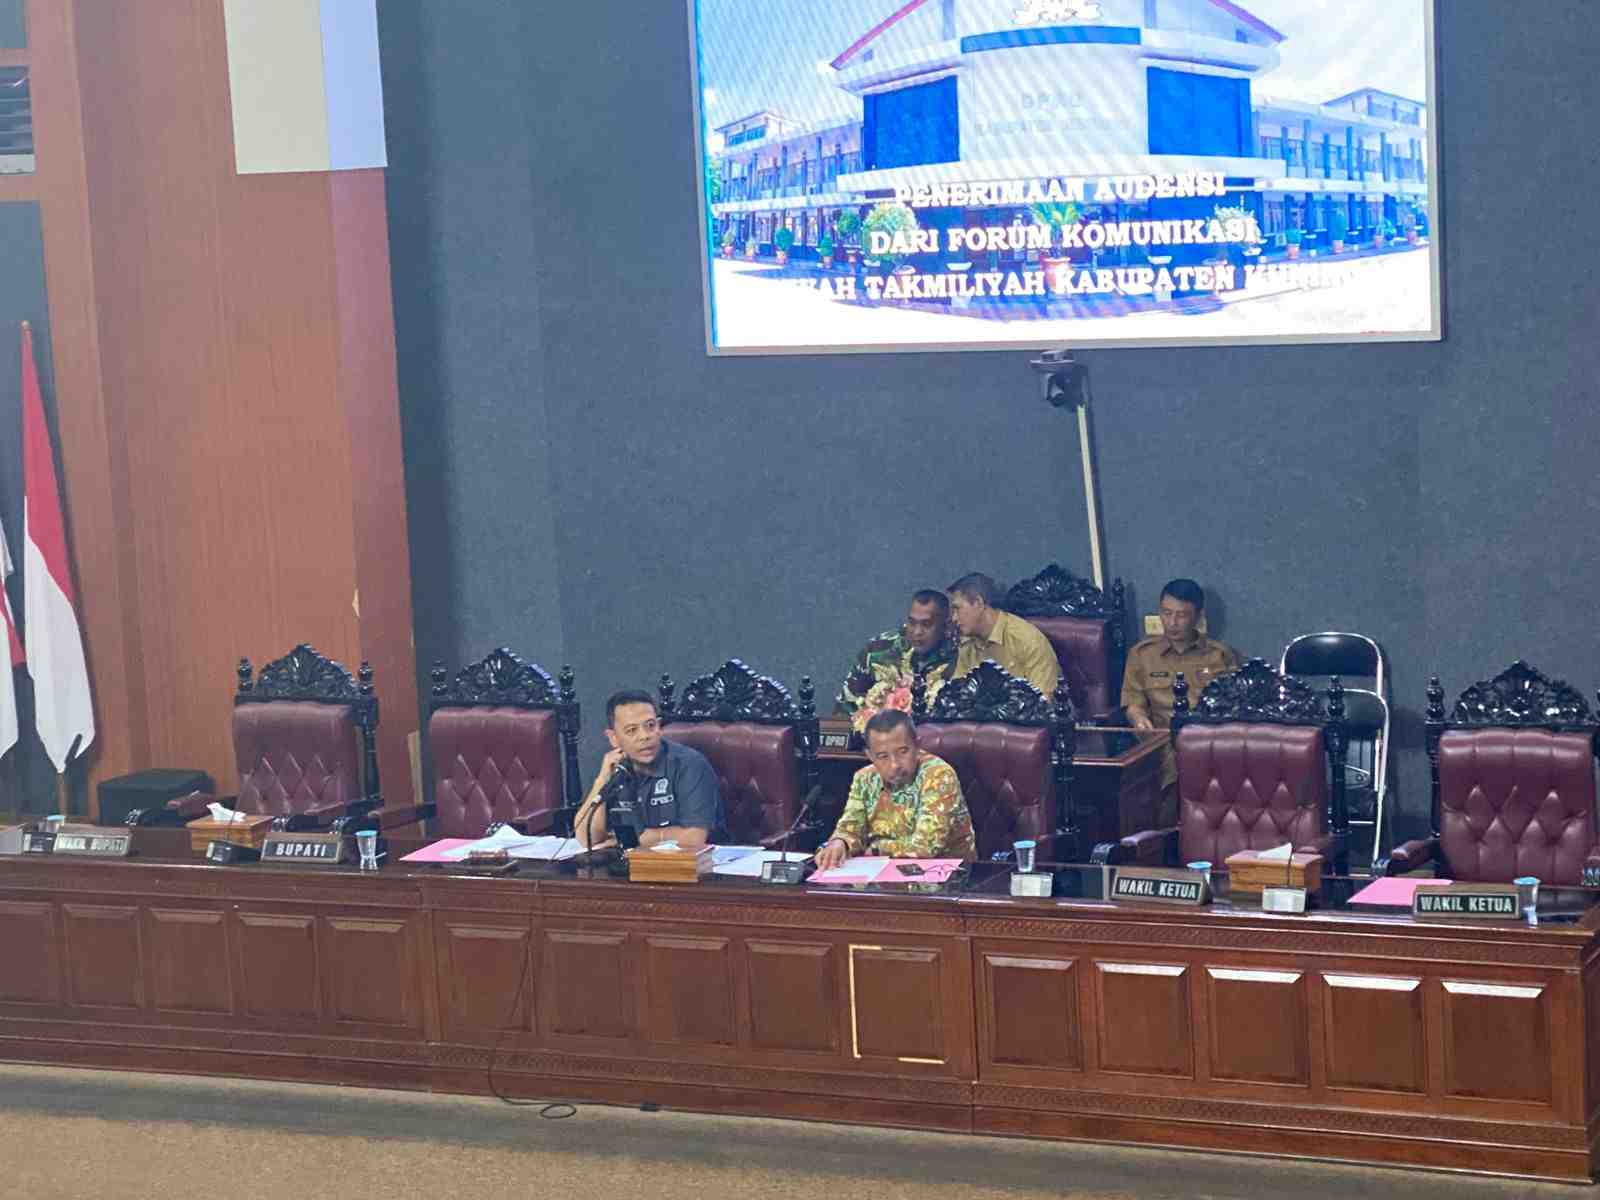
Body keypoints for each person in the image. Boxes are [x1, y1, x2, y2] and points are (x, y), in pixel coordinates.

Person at [1120, 578, 1241, 806]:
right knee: (1172, 764)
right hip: (1161, 742)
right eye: (1166, 613)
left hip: (1209, 741)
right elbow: (1133, 703)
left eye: (1182, 615)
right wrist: (1139, 720)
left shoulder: (1219, 655)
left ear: (1198, 617)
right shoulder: (1142, 654)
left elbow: (1235, 707)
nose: (1172, 623)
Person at [814, 709, 976, 867]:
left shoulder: (938, 775)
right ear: (870, 756)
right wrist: (840, 843)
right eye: (883, 756)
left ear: (917, 745)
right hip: (879, 872)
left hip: (950, 875)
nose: (894, 765)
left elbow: (926, 847)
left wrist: (875, 849)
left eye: (903, 751)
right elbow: (850, 828)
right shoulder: (864, 778)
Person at [577, 689, 724, 851]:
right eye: (631, 730)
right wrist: (602, 779)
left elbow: (694, 838)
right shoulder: (615, 769)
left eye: (650, 725)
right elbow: (587, 839)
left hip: (695, 863)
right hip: (632, 863)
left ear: (659, 727)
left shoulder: (689, 764)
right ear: (614, 738)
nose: (644, 736)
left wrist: (632, 840)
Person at [835, 589, 958, 721]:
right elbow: (845, 710)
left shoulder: (959, 656)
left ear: (945, 626)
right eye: (912, 622)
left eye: (926, 624)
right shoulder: (878, 649)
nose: (917, 632)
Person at [947, 572, 1061, 698]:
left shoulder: (1027, 640)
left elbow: (1045, 701)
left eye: (957, 608)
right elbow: (957, 694)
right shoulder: (968, 644)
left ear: (978, 602)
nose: (954, 618)